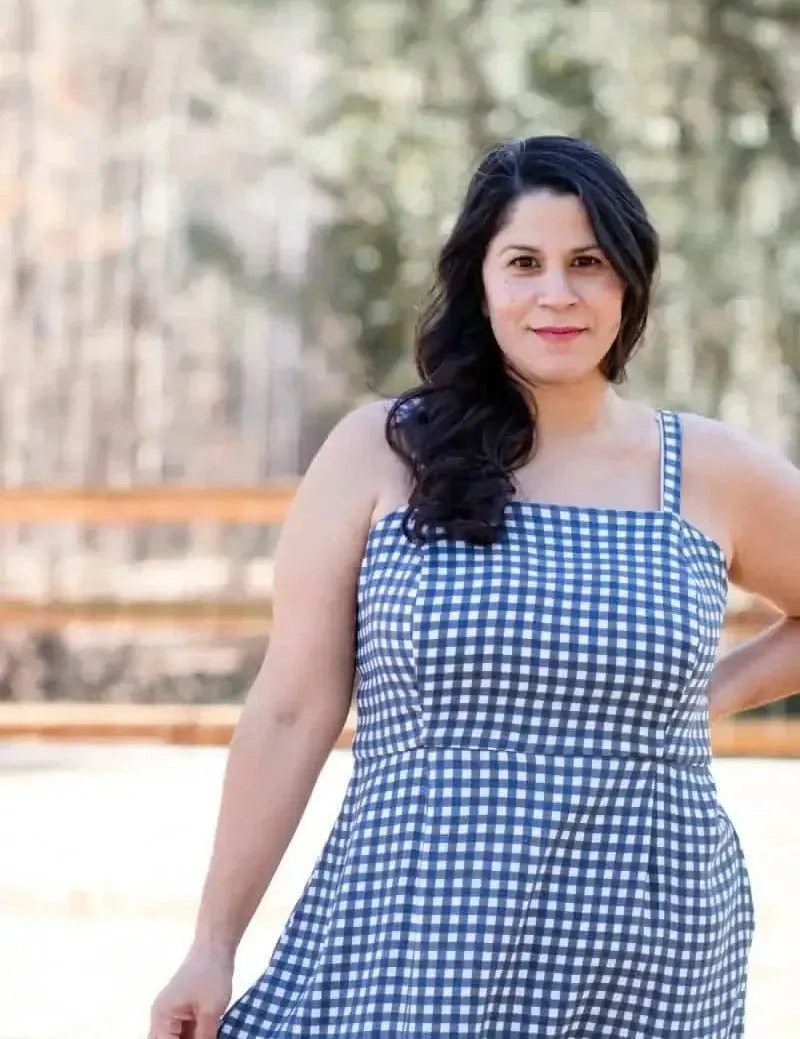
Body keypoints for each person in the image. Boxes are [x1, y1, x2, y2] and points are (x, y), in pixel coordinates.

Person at [148, 135, 800, 1039]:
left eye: (589, 263)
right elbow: (291, 708)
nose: (557, 294)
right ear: (480, 282)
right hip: (412, 930)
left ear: (630, 283)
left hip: (647, 942)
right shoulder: (381, 449)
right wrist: (212, 943)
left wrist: (698, 698)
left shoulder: (710, 470)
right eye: (524, 262)